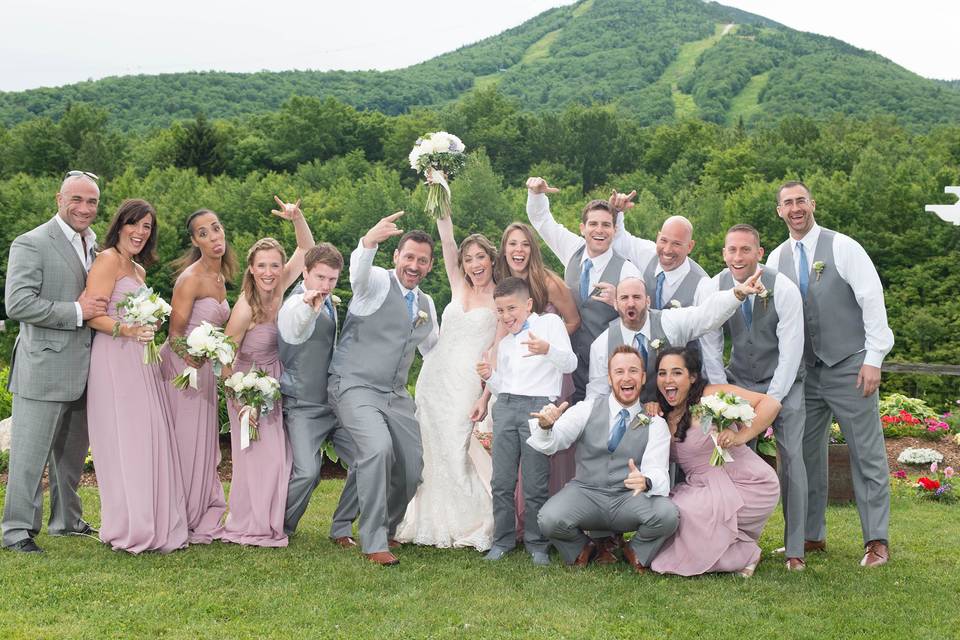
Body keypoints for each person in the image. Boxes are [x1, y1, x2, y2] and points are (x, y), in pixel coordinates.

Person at [767, 181, 894, 568]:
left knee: (866, 454)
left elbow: (871, 300)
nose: (795, 208)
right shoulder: (775, 259)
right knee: (801, 457)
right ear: (779, 212)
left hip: (850, 365)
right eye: (787, 203)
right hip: (804, 374)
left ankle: (876, 540)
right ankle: (810, 536)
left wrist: (873, 357)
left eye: (800, 201)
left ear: (812, 204)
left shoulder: (843, 246)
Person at [3, 171, 107, 553]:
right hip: (43, 366)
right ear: (58, 199)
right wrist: (76, 311)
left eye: (92, 201)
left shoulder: (95, 246)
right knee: (29, 458)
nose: (84, 208)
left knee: (70, 457)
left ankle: (67, 521)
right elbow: (18, 303)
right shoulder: (31, 243)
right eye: (76, 199)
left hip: (86, 368)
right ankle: (16, 531)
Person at [327, 212, 439, 566]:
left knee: (411, 466)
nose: (414, 265)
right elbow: (357, 273)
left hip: (395, 394)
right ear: (395, 257)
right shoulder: (374, 282)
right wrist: (368, 241)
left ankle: (382, 526)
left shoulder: (427, 305)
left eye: (422, 260)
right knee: (377, 450)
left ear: (430, 266)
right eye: (408, 257)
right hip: (355, 384)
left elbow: (435, 350)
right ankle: (373, 540)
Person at [700, 224, 808, 571]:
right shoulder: (714, 287)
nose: (737, 257)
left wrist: (770, 402)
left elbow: (792, 352)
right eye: (731, 250)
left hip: (784, 382)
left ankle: (795, 549)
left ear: (759, 253)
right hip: (737, 379)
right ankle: (732, 540)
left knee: (791, 458)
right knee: (723, 453)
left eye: (745, 250)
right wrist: (723, 396)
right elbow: (710, 346)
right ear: (723, 253)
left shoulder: (784, 288)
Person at [84, 198, 189, 553]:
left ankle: (155, 521)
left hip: (142, 361)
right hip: (114, 359)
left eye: (147, 227)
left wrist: (150, 323)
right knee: (126, 441)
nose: (141, 232)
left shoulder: (138, 271)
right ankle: (131, 526)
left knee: (148, 437)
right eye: (135, 224)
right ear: (120, 225)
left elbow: (136, 318)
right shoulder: (108, 260)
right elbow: (92, 316)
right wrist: (127, 330)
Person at [395, 211, 497, 550]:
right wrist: (439, 187)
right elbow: (447, 239)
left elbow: (498, 346)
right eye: (468, 259)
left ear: (491, 259)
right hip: (434, 377)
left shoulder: (501, 298)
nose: (474, 264)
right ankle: (424, 517)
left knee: (456, 447)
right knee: (429, 448)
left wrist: (488, 383)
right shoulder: (458, 284)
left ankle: (467, 519)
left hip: (467, 382)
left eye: (480, 256)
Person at [530, 346, 677, 571]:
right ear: (609, 378)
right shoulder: (586, 409)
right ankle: (582, 547)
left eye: (633, 371)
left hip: (629, 499)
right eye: (619, 372)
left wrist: (646, 480)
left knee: (668, 515)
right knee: (549, 518)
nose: (626, 377)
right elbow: (554, 442)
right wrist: (546, 426)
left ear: (643, 377)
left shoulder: (654, 422)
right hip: (586, 493)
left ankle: (635, 549)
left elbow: (657, 469)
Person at [221, 197, 314, 548]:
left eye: (275, 265)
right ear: (251, 268)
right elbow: (225, 359)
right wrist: (244, 400)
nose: (270, 272)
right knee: (259, 458)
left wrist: (297, 217)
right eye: (262, 266)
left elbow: (307, 248)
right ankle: (252, 524)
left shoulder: (280, 287)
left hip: (273, 382)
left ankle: (268, 520)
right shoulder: (246, 307)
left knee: (279, 459)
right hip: (246, 387)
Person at [650, 347, 781, 577]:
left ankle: (742, 554)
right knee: (673, 515)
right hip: (701, 486)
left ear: (692, 377)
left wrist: (740, 437)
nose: (668, 379)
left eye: (676, 373)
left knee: (690, 514)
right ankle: (743, 549)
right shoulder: (660, 414)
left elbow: (771, 404)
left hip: (748, 483)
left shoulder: (711, 395)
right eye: (662, 373)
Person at [476, 277, 577, 566]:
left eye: (511, 308)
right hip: (506, 406)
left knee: (535, 482)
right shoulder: (506, 344)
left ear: (528, 304)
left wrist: (547, 350)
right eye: (500, 311)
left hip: (537, 408)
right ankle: (503, 540)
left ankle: (537, 544)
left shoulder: (549, 325)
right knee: (502, 481)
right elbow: (502, 386)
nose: (506, 316)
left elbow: (570, 364)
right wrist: (489, 376)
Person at [492, 221, 581, 529]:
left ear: (533, 248)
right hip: (511, 378)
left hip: (547, 373)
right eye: (512, 244)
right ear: (504, 250)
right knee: (504, 471)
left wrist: (546, 346)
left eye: (525, 244)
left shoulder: (547, 282)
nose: (519, 250)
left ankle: (541, 527)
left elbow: (571, 320)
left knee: (541, 463)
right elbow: (501, 337)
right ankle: (512, 527)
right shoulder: (501, 285)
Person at [160, 209, 238, 544]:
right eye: (204, 233)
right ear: (195, 241)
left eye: (216, 229)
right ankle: (180, 515)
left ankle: (200, 510)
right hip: (182, 371)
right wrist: (193, 358)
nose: (214, 237)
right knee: (186, 443)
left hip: (204, 371)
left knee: (204, 445)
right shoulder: (189, 279)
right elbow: (174, 334)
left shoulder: (223, 276)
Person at [526, 177, 641, 403]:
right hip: (567, 368)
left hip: (606, 371)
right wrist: (536, 195)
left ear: (614, 229)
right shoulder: (573, 250)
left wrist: (618, 304)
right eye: (593, 224)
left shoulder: (627, 270)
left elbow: (643, 319)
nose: (599, 230)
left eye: (606, 225)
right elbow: (543, 222)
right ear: (583, 228)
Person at [277, 242, 360, 543]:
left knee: (368, 459)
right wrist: (307, 309)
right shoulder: (295, 304)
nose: (325, 285)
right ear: (305, 272)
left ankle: (341, 528)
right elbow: (294, 328)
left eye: (332, 280)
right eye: (320, 277)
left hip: (333, 404)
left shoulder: (329, 302)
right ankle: (280, 528)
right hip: (302, 405)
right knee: (307, 473)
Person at [586, 275, 761, 403]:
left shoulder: (668, 321)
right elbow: (597, 394)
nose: (631, 303)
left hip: (675, 412)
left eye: (637, 297)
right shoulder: (601, 345)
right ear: (615, 303)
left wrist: (736, 294)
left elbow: (705, 315)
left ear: (647, 301)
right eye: (624, 298)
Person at [609, 190, 713, 310]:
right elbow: (619, 240)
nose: (667, 250)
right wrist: (616, 211)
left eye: (676, 244)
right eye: (663, 240)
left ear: (690, 246)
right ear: (658, 237)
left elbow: (710, 326)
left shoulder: (703, 286)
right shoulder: (648, 253)